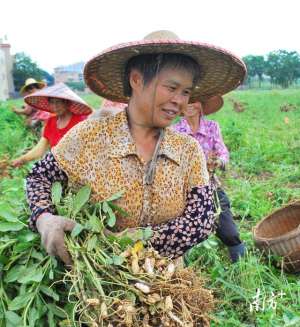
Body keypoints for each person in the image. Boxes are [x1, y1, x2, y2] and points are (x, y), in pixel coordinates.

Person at [25, 30, 246, 266]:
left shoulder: (187, 149)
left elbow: (200, 220)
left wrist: (126, 240)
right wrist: (44, 218)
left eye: (186, 92)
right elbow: (40, 177)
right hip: (99, 280)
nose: (180, 101)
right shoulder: (90, 136)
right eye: (171, 88)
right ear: (137, 80)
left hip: (167, 282)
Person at [172, 97, 245, 262]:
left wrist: (219, 161)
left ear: (201, 105)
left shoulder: (212, 127)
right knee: (183, 234)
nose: (190, 104)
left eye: (194, 100)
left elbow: (223, 152)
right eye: (186, 101)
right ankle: (182, 269)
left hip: (210, 187)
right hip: (185, 191)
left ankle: (242, 267)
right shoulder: (174, 131)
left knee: (229, 233)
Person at [12, 83, 92, 167]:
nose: (55, 106)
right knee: (37, 171)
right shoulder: (51, 122)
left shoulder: (80, 120)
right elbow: (40, 148)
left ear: (67, 103)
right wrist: (22, 159)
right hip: (60, 165)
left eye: (58, 102)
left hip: (80, 164)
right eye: (52, 102)